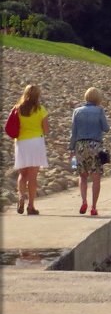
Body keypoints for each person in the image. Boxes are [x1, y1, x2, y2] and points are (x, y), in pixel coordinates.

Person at [69, 87, 109, 216]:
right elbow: (106, 128)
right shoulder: (99, 111)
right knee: (96, 177)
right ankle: (94, 207)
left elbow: (73, 133)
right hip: (95, 145)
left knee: (83, 175)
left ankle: (84, 201)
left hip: (80, 145)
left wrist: (71, 149)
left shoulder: (77, 111)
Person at [12, 84, 49, 215]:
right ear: (37, 96)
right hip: (36, 142)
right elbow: (46, 129)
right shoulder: (40, 109)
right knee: (33, 176)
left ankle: (21, 196)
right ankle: (31, 206)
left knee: (22, 174)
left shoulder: (18, 109)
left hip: (21, 142)